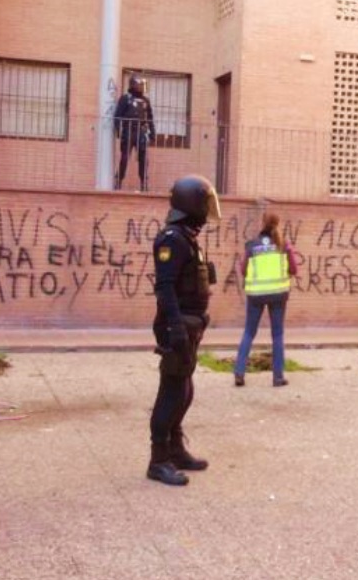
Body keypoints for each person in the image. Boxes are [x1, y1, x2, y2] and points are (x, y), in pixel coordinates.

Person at [148, 174, 221, 486]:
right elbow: (164, 288)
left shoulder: (187, 238)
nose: (207, 209)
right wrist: (175, 328)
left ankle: (176, 449)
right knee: (172, 391)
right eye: (204, 202)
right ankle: (158, 460)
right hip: (176, 326)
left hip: (190, 325)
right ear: (191, 204)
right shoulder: (172, 239)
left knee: (185, 391)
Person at [233, 212, 299, 387]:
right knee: (277, 334)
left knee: (249, 332)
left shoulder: (252, 246)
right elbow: (294, 269)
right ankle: (278, 377)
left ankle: (239, 373)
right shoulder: (283, 245)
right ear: (278, 224)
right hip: (278, 294)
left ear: (262, 223)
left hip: (255, 295)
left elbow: (243, 270)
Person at [113, 77, 156, 192]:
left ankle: (144, 183)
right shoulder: (125, 98)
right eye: (140, 84)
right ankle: (118, 181)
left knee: (144, 158)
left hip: (141, 132)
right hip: (128, 130)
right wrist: (118, 130)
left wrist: (153, 133)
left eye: (143, 85)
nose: (142, 87)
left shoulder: (146, 101)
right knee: (125, 158)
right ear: (134, 85)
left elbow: (150, 118)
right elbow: (117, 115)